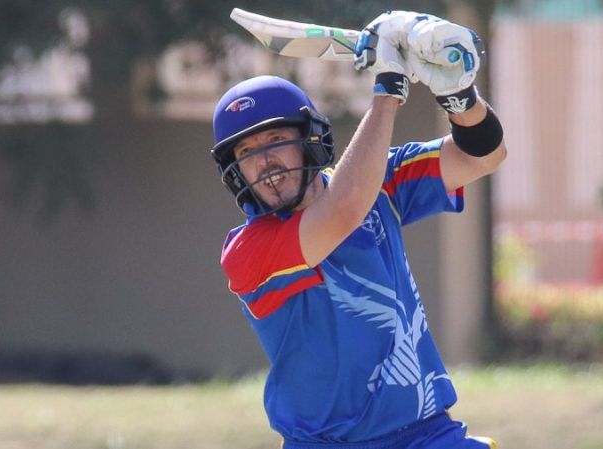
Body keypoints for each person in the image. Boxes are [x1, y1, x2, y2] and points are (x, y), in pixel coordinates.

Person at [210, 10, 507, 449]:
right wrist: (388, 92)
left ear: (311, 139)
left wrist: (458, 94)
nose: (264, 162)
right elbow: (344, 210)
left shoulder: (379, 181)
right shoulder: (247, 252)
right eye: (247, 152)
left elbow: (484, 155)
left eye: (276, 141)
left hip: (429, 435)